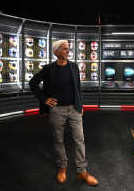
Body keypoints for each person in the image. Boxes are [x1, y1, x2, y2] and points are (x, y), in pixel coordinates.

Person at [29, 40, 99, 186]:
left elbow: (78, 87)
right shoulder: (48, 69)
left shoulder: (73, 67)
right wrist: (44, 99)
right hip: (57, 110)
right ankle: (62, 167)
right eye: (65, 49)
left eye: (68, 49)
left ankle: (82, 171)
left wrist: (80, 104)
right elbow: (33, 83)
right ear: (56, 52)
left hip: (74, 109)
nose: (68, 51)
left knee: (79, 140)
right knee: (58, 140)